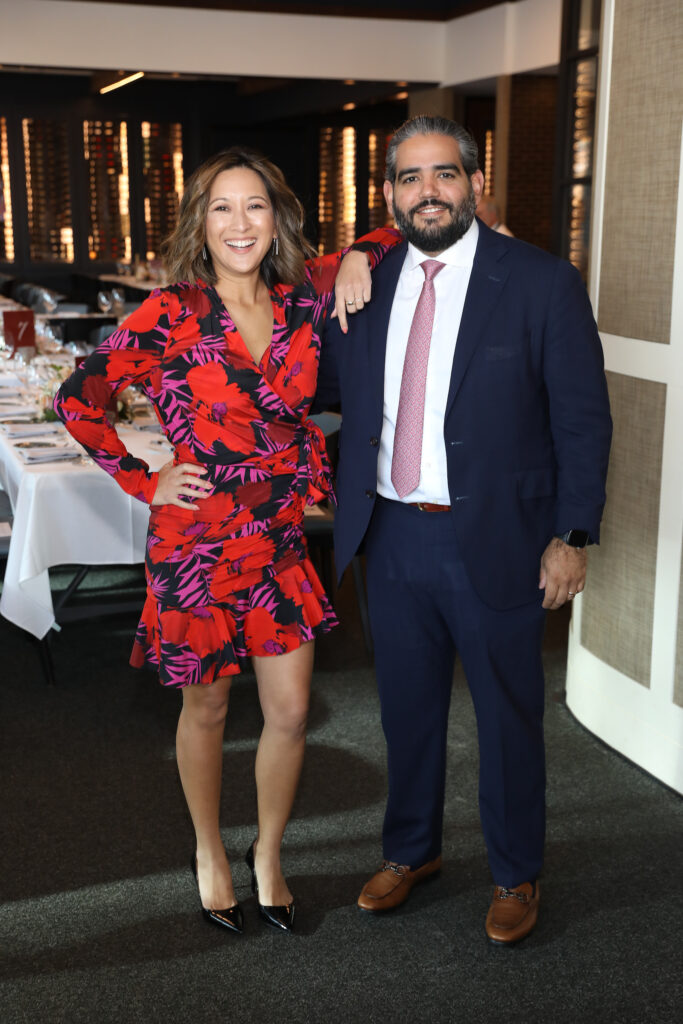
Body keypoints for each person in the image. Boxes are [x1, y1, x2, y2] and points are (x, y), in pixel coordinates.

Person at [54, 147, 398, 935]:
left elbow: (391, 234)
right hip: (197, 542)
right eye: (221, 207)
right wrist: (145, 478)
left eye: (254, 206)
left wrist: (350, 259)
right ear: (199, 224)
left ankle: (267, 853)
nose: (239, 223)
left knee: (290, 709)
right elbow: (82, 398)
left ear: (275, 217)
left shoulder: (303, 302)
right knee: (206, 707)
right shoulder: (169, 312)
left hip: (277, 536)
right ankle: (210, 850)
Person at [316, 115, 612, 945]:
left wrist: (570, 535)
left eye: (444, 174)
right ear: (387, 196)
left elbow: (583, 421)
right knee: (404, 713)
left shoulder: (540, 282)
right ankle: (410, 851)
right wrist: (347, 254)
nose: (428, 192)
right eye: (409, 179)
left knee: (507, 717)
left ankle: (517, 871)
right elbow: (315, 380)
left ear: (475, 183)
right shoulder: (362, 286)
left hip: (502, 540)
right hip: (392, 539)